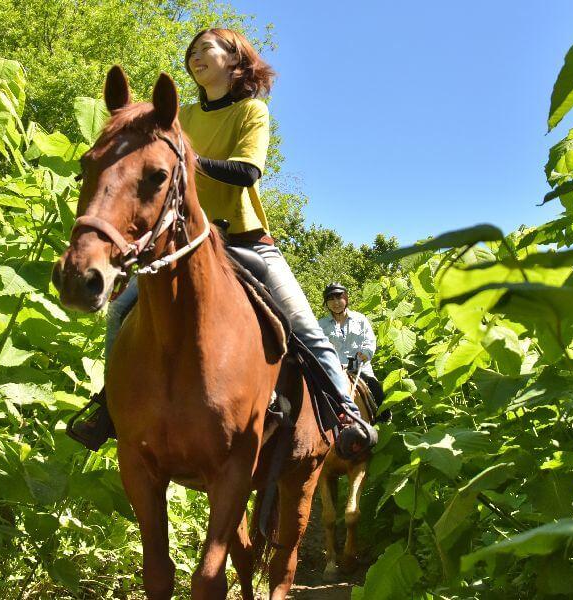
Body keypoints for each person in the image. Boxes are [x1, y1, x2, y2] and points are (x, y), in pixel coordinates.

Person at [70, 29, 376, 453]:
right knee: (121, 308)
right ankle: (108, 408)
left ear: (235, 60)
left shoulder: (252, 112)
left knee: (306, 325)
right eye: (191, 51)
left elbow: (247, 172)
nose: (195, 56)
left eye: (206, 49)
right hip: (185, 245)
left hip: (244, 240)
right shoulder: (181, 117)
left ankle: (346, 414)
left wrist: (187, 158)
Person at [318, 283, 388, 421]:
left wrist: (366, 353)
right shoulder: (321, 325)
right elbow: (317, 347)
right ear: (326, 303)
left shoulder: (360, 319)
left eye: (339, 298)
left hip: (360, 368)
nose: (336, 303)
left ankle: (384, 422)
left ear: (346, 299)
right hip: (334, 371)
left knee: (376, 391)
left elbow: (370, 340)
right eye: (331, 299)